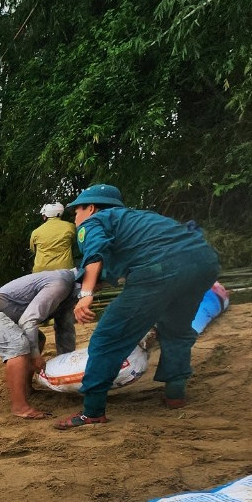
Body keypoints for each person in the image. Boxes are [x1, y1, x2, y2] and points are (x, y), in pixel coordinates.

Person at [55, 183, 221, 430]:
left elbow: (95, 254)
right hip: (204, 262)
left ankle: (92, 412)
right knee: (176, 327)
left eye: (76, 211)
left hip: (160, 268)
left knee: (108, 337)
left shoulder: (94, 222)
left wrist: (86, 294)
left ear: (90, 208)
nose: (76, 218)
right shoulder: (138, 219)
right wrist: (96, 281)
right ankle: (175, 394)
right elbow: (121, 259)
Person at [0, 269, 78, 420]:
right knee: (19, 346)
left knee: (37, 340)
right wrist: (35, 356)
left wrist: (66, 366)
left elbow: (65, 327)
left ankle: (26, 388)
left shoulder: (71, 289)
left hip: (7, 316)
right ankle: (19, 406)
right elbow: (28, 321)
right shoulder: (61, 282)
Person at [30, 202, 77, 272]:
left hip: (40, 272)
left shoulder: (36, 232)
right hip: (65, 271)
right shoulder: (70, 227)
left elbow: (33, 250)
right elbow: (76, 244)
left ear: (46, 216)